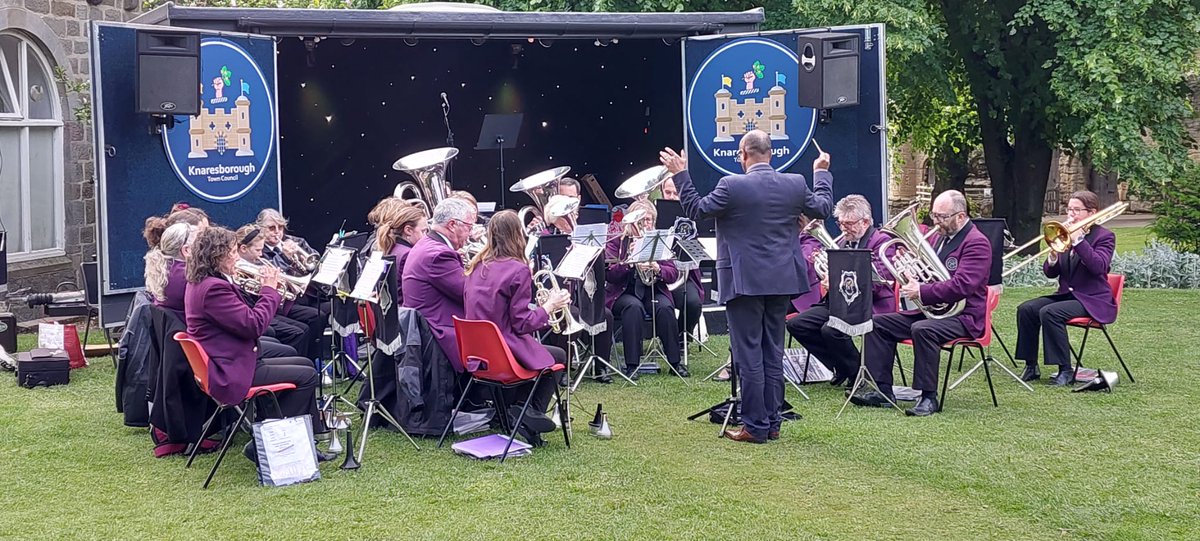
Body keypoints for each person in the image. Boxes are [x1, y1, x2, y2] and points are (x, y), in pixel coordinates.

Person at [660, 129, 833, 443]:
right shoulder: (795, 183)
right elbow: (823, 207)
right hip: (782, 280)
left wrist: (680, 174)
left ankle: (755, 426)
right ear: (771, 153)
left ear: (743, 154)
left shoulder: (731, 185)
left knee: (749, 353)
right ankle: (773, 422)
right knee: (773, 351)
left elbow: (697, 210)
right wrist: (820, 173)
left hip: (744, 281)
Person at [182, 227, 332, 462]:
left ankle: (304, 440)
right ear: (216, 255)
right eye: (232, 252)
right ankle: (269, 440)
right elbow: (254, 325)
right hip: (231, 371)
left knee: (303, 363)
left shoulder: (205, 281)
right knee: (307, 375)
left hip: (231, 360)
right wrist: (269, 290)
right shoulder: (213, 288)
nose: (236, 257)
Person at [851, 190, 991, 417]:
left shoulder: (977, 243)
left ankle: (928, 397)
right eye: (934, 215)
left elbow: (963, 286)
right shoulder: (938, 238)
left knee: (923, 329)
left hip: (964, 317)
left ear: (961, 216)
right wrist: (910, 273)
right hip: (934, 311)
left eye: (942, 217)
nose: (936, 222)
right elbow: (930, 274)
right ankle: (882, 390)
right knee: (877, 323)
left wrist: (921, 291)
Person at [464, 210, 571, 446]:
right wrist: (549, 306)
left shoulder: (476, 265)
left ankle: (518, 411)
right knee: (558, 356)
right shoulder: (518, 269)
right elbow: (522, 324)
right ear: (518, 235)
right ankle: (527, 413)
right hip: (503, 352)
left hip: (478, 353)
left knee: (542, 354)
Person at [786, 195, 896, 386]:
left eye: (849, 224)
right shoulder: (843, 242)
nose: (844, 229)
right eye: (840, 223)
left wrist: (838, 282)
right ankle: (843, 366)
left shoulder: (881, 242)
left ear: (865, 222)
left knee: (831, 329)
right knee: (798, 324)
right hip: (841, 303)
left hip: (870, 304)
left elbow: (878, 283)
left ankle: (857, 375)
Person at [1015, 190, 1117, 385]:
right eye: (1069, 209)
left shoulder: (1104, 236)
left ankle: (1065, 369)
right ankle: (1030, 366)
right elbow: (1051, 273)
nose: (1071, 214)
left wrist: (1079, 241)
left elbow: (1099, 267)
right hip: (1068, 295)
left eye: (1077, 210)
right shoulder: (1065, 234)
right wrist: (1053, 257)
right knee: (1026, 309)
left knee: (1050, 312)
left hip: (1093, 300)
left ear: (1092, 212)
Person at [605, 199, 685, 380]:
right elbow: (610, 275)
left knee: (665, 307)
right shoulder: (618, 241)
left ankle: (675, 363)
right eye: (639, 220)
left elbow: (673, 273)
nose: (644, 224)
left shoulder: (657, 240)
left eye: (648, 220)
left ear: (654, 221)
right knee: (633, 307)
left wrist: (658, 268)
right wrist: (629, 261)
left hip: (653, 289)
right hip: (624, 292)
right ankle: (632, 365)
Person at [402, 197, 476, 371]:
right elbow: (470, 294)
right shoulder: (438, 255)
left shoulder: (427, 244)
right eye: (469, 227)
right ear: (452, 225)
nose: (471, 233)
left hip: (428, 332)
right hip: (441, 337)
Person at [659, 181, 704, 355]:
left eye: (676, 193)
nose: (671, 197)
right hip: (658, 275)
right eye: (667, 192)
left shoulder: (693, 212)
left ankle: (681, 338)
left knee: (693, 303)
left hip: (684, 274)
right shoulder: (653, 212)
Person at [371, 199, 429, 304]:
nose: (426, 237)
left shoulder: (392, 247)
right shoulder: (408, 254)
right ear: (408, 230)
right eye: (423, 231)